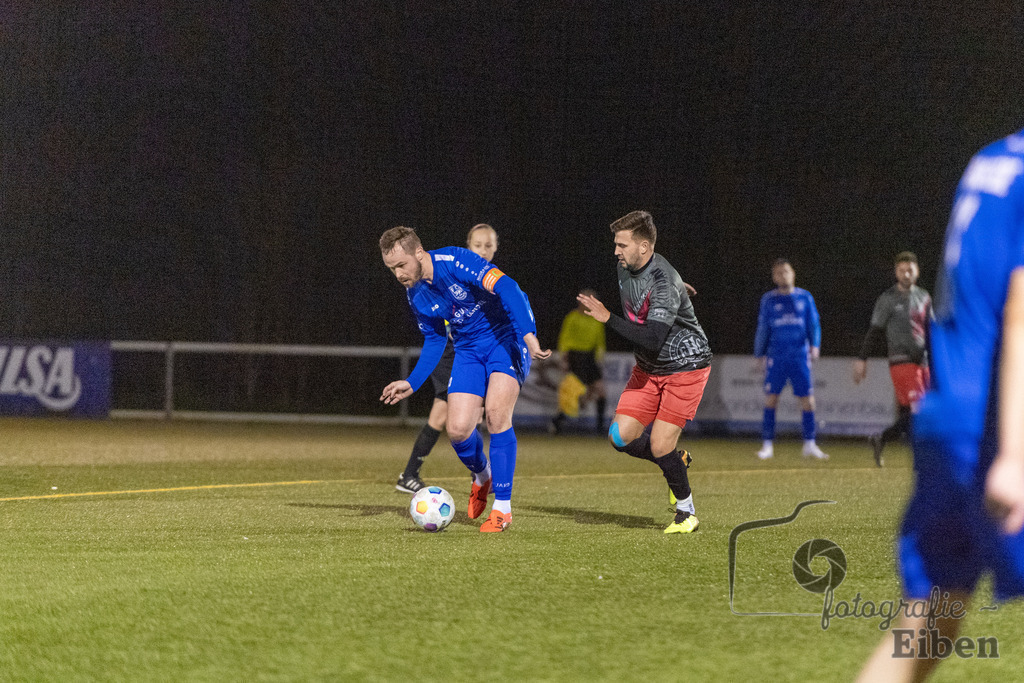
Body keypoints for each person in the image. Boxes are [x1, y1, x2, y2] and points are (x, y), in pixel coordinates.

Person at [857, 131, 1024, 681]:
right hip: (1000, 429)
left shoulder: (991, 160)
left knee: (927, 625)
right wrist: (1015, 457)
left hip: (950, 422)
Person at [380, 226, 550, 533]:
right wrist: (413, 382)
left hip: (505, 339)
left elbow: (509, 288)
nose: (398, 274)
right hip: (468, 349)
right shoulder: (415, 293)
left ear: (419, 253)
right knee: (457, 430)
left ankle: (502, 509)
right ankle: (482, 475)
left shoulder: (456, 261)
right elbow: (434, 339)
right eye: (392, 269)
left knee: (497, 415)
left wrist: (528, 334)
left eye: (401, 265)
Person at [577, 210, 712, 534]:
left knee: (660, 446)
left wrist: (607, 317)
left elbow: (652, 336)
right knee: (619, 437)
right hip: (650, 366)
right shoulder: (628, 265)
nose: (616, 251)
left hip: (685, 366)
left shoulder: (663, 280)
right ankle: (676, 462)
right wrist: (679, 288)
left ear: (644, 247)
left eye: (622, 245)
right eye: (616, 244)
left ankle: (686, 513)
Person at [394, 223, 501, 493]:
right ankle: (412, 474)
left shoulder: (485, 278)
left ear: (496, 247)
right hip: (451, 352)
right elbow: (440, 322)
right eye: (478, 245)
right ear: (468, 246)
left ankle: (472, 475)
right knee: (444, 412)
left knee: (470, 414)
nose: (483, 251)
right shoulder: (454, 271)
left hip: (470, 352)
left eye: (488, 245)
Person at [853, 251, 932, 466]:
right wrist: (862, 359)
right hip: (902, 360)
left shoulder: (924, 296)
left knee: (924, 411)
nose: (906, 274)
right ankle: (923, 459)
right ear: (896, 272)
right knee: (917, 410)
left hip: (923, 361)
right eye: (901, 270)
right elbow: (875, 330)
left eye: (910, 269)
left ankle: (882, 438)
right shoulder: (887, 299)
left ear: (917, 271)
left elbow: (930, 330)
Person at [753, 259, 827, 460]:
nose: (782, 275)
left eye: (785, 271)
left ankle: (810, 444)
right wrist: (759, 354)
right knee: (771, 399)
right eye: (778, 273)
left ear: (793, 273)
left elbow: (814, 324)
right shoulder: (769, 299)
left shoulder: (805, 297)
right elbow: (763, 328)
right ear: (774, 277)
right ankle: (767, 445)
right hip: (776, 356)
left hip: (799, 356)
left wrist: (815, 345)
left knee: (808, 401)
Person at [550, 289, 607, 434]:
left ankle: (600, 428)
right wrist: (564, 358)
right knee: (575, 393)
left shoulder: (596, 319)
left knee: (600, 391)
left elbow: (600, 341)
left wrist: (600, 357)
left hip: (590, 357)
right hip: (575, 357)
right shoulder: (572, 317)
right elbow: (564, 338)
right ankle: (558, 421)